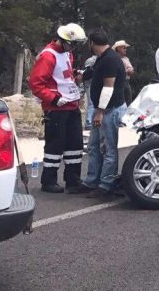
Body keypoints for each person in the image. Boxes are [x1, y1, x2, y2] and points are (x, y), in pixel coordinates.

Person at [28, 23, 90, 193]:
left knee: (75, 144)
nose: (75, 48)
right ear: (64, 40)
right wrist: (54, 99)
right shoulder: (48, 56)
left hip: (71, 105)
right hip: (56, 108)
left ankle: (73, 179)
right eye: (73, 44)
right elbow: (36, 84)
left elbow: (64, 75)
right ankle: (48, 181)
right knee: (55, 145)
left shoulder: (66, 54)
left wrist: (80, 74)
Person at [83, 31, 128, 197]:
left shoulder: (110, 60)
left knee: (108, 148)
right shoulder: (102, 57)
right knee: (93, 146)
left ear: (92, 43)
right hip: (101, 108)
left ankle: (107, 183)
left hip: (109, 109)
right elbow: (92, 72)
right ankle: (91, 180)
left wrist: (100, 112)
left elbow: (108, 87)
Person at [113, 40, 134, 105]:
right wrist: (127, 70)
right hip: (118, 82)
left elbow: (131, 71)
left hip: (127, 82)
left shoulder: (126, 58)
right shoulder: (114, 59)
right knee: (120, 102)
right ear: (118, 48)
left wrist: (129, 71)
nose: (126, 50)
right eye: (124, 48)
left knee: (128, 101)